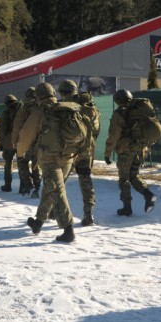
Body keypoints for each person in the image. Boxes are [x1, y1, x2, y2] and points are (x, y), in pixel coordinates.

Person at [17, 82, 76, 243]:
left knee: (57, 191)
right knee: (51, 189)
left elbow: (25, 135)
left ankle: (68, 229)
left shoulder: (40, 112)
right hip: (68, 157)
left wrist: (20, 153)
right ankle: (38, 222)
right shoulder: (66, 108)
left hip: (50, 159)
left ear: (38, 96)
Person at [104, 89, 158, 216]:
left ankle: (127, 208)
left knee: (124, 179)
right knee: (133, 176)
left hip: (127, 150)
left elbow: (113, 135)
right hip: (142, 149)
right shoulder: (140, 110)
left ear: (117, 101)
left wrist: (107, 153)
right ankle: (148, 195)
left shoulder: (119, 114)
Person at [57, 79, 100, 226]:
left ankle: (51, 210)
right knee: (85, 179)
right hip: (87, 147)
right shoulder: (89, 104)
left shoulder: (62, 106)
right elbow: (96, 129)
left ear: (62, 92)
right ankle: (89, 213)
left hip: (68, 149)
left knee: (60, 180)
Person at [11, 86, 41, 197]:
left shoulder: (23, 108)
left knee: (22, 162)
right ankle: (37, 188)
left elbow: (17, 126)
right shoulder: (40, 107)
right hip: (39, 140)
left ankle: (28, 184)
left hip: (25, 141)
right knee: (36, 164)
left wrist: (14, 140)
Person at [0, 94, 21, 192]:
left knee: (8, 164)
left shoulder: (5, 113)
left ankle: (8, 185)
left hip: (9, 141)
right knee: (22, 164)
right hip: (21, 140)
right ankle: (24, 186)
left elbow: (2, 130)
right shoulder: (22, 111)